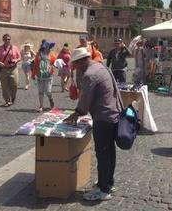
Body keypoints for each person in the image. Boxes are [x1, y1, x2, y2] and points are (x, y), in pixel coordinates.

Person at [64, 47, 121, 201]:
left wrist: (76, 113)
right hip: (113, 113)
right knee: (109, 152)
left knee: (103, 154)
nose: (75, 68)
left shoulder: (90, 75)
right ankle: (108, 182)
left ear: (83, 60)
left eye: (75, 64)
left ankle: (103, 190)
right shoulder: (101, 66)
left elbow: (85, 101)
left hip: (103, 117)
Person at [0, 34, 21, 107]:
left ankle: (13, 98)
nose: (7, 41)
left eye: (8, 39)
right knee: (4, 86)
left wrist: (16, 60)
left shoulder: (15, 48)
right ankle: (7, 101)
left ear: (10, 40)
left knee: (14, 85)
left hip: (13, 69)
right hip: (3, 69)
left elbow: (19, 57)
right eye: (5, 39)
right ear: (3, 40)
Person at [32, 41, 57, 112]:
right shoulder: (38, 54)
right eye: (45, 46)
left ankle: (50, 99)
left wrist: (53, 66)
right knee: (40, 91)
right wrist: (33, 74)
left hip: (49, 75)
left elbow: (55, 63)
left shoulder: (52, 54)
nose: (46, 48)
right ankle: (41, 106)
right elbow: (36, 65)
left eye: (47, 46)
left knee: (48, 91)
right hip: (40, 75)